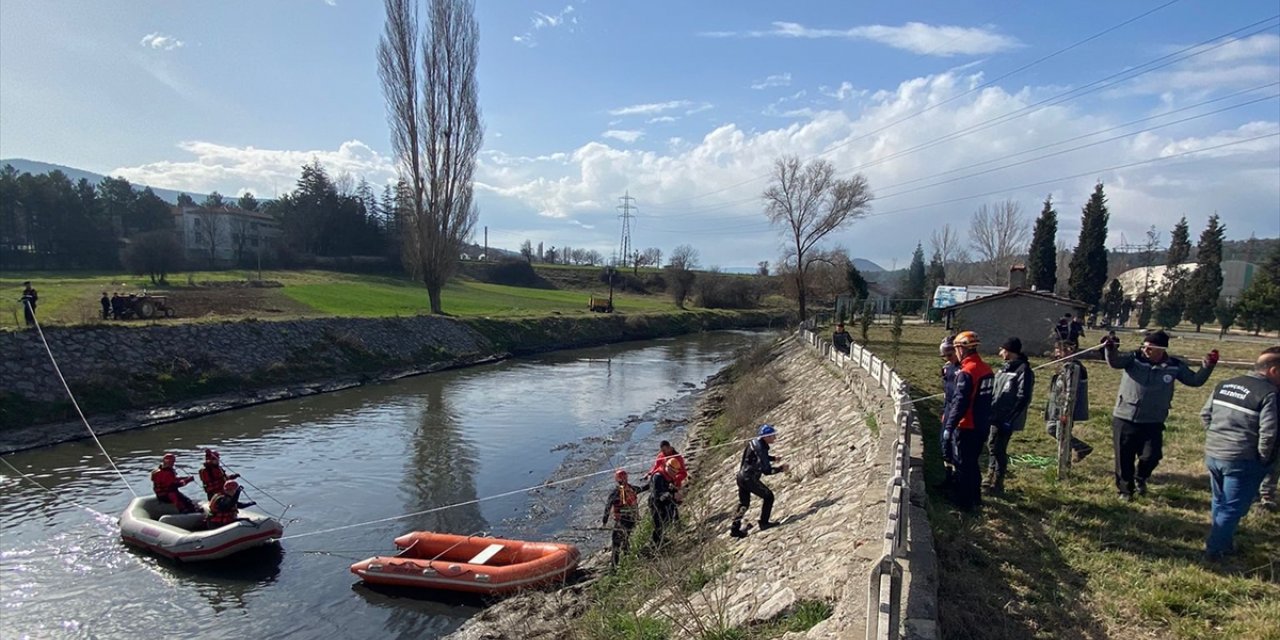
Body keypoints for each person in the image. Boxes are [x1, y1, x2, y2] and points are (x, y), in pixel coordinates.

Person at [1103, 330, 1218, 500]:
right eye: (1144, 346)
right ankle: (1125, 491)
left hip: (1153, 420)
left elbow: (1195, 381)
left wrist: (1208, 365)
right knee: (1124, 458)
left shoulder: (1174, 366)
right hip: (1125, 417)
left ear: (1162, 349)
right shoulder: (1133, 359)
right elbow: (1114, 362)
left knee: (1152, 456)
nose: (1145, 350)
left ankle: (1140, 477)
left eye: (1150, 348)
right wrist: (1111, 348)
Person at [1200, 346, 1279, 561]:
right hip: (1243, 459)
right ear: (1273, 371)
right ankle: (1215, 550)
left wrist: (1217, 437)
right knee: (1234, 508)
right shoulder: (1269, 393)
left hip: (1215, 452)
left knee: (1220, 501)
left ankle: (1224, 543)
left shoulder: (1225, 385)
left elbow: (1205, 414)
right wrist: (1263, 458)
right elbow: (1269, 433)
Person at [941, 331, 994, 510]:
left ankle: (963, 503)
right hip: (982, 424)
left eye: (956, 349)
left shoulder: (967, 372)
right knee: (973, 463)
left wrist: (949, 426)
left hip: (967, 424)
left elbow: (960, 402)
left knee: (962, 464)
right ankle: (976, 498)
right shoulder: (986, 369)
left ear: (961, 349)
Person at [987, 337, 1035, 492]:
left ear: (1009, 351)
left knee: (998, 448)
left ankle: (998, 482)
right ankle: (990, 475)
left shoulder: (1023, 371)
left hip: (1007, 418)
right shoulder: (1003, 369)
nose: (1000, 353)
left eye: (1002, 350)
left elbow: (1023, 396)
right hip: (995, 415)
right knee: (992, 445)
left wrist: (1010, 418)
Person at [730, 424, 790, 538]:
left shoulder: (754, 443)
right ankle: (764, 523)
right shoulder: (761, 448)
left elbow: (758, 456)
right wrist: (781, 469)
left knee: (744, 504)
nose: (775, 438)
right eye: (772, 436)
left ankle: (734, 529)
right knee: (769, 496)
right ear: (766, 437)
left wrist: (773, 458)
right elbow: (767, 471)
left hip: (741, 477)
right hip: (749, 479)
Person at [1045, 342, 1094, 462]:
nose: (1057, 354)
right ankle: (1077, 450)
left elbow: (1070, 392)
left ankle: (1068, 458)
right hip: (1057, 406)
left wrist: (1066, 412)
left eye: (1059, 350)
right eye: (1056, 350)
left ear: (1069, 351)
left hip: (1066, 408)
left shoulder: (1073, 367)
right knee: (1055, 430)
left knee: (1060, 432)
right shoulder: (1065, 366)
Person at [601, 469, 648, 567]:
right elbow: (642, 489)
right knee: (626, 538)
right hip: (632, 520)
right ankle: (627, 557)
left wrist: (604, 522)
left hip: (621, 521)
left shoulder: (616, 493)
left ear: (616, 480)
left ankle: (614, 568)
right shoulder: (631, 488)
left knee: (616, 544)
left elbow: (608, 507)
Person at [938, 336, 960, 485]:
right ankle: (947, 477)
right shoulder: (947, 368)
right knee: (944, 444)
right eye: (944, 356)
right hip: (948, 408)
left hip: (958, 412)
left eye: (949, 354)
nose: (947, 358)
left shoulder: (963, 369)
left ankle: (957, 479)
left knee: (955, 446)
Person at [648, 462, 680, 546]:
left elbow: (670, 486)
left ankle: (661, 539)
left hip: (665, 501)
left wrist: (675, 492)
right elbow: (658, 493)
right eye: (673, 472)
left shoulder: (668, 476)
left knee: (667, 520)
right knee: (659, 524)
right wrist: (671, 495)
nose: (674, 474)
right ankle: (655, 544)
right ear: (669, 468)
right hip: (656, 503)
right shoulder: (658, 477)